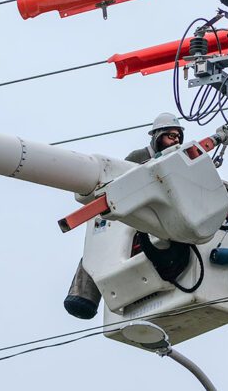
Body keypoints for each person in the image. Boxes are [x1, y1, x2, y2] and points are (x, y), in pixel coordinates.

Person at [63, 112, 186, 320]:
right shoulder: (138, 157)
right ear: (157, 136)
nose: (175, 141)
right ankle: (83, 297)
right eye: (170, 136)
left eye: (178, 137)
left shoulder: (176, 160)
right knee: (99, 249)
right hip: (125, 212)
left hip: (154, 216)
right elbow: (116, 182)